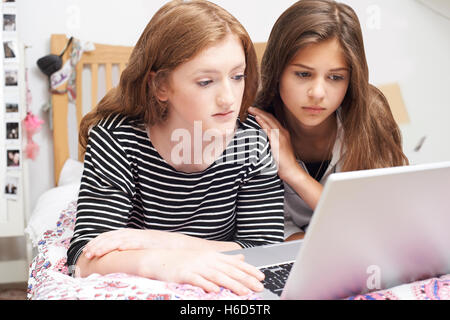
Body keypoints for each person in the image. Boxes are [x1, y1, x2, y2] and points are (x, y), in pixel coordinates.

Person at [67, 0, 284, 296]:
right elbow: (81, 258)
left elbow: (266, 249)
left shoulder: (253, 143)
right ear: (160, 86)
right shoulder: (116, 139)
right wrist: (161, 263)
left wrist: (166, 242)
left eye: (237, 76)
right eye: (206, 81)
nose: (229, 99)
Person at [249, 0, 409, 241]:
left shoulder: (370, 115)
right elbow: (267, 231)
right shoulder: (254, 124)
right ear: (277, 70)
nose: (318, 93)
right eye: (303, 74)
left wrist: (294, 173)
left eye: (335, 77)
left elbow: (377, 227)